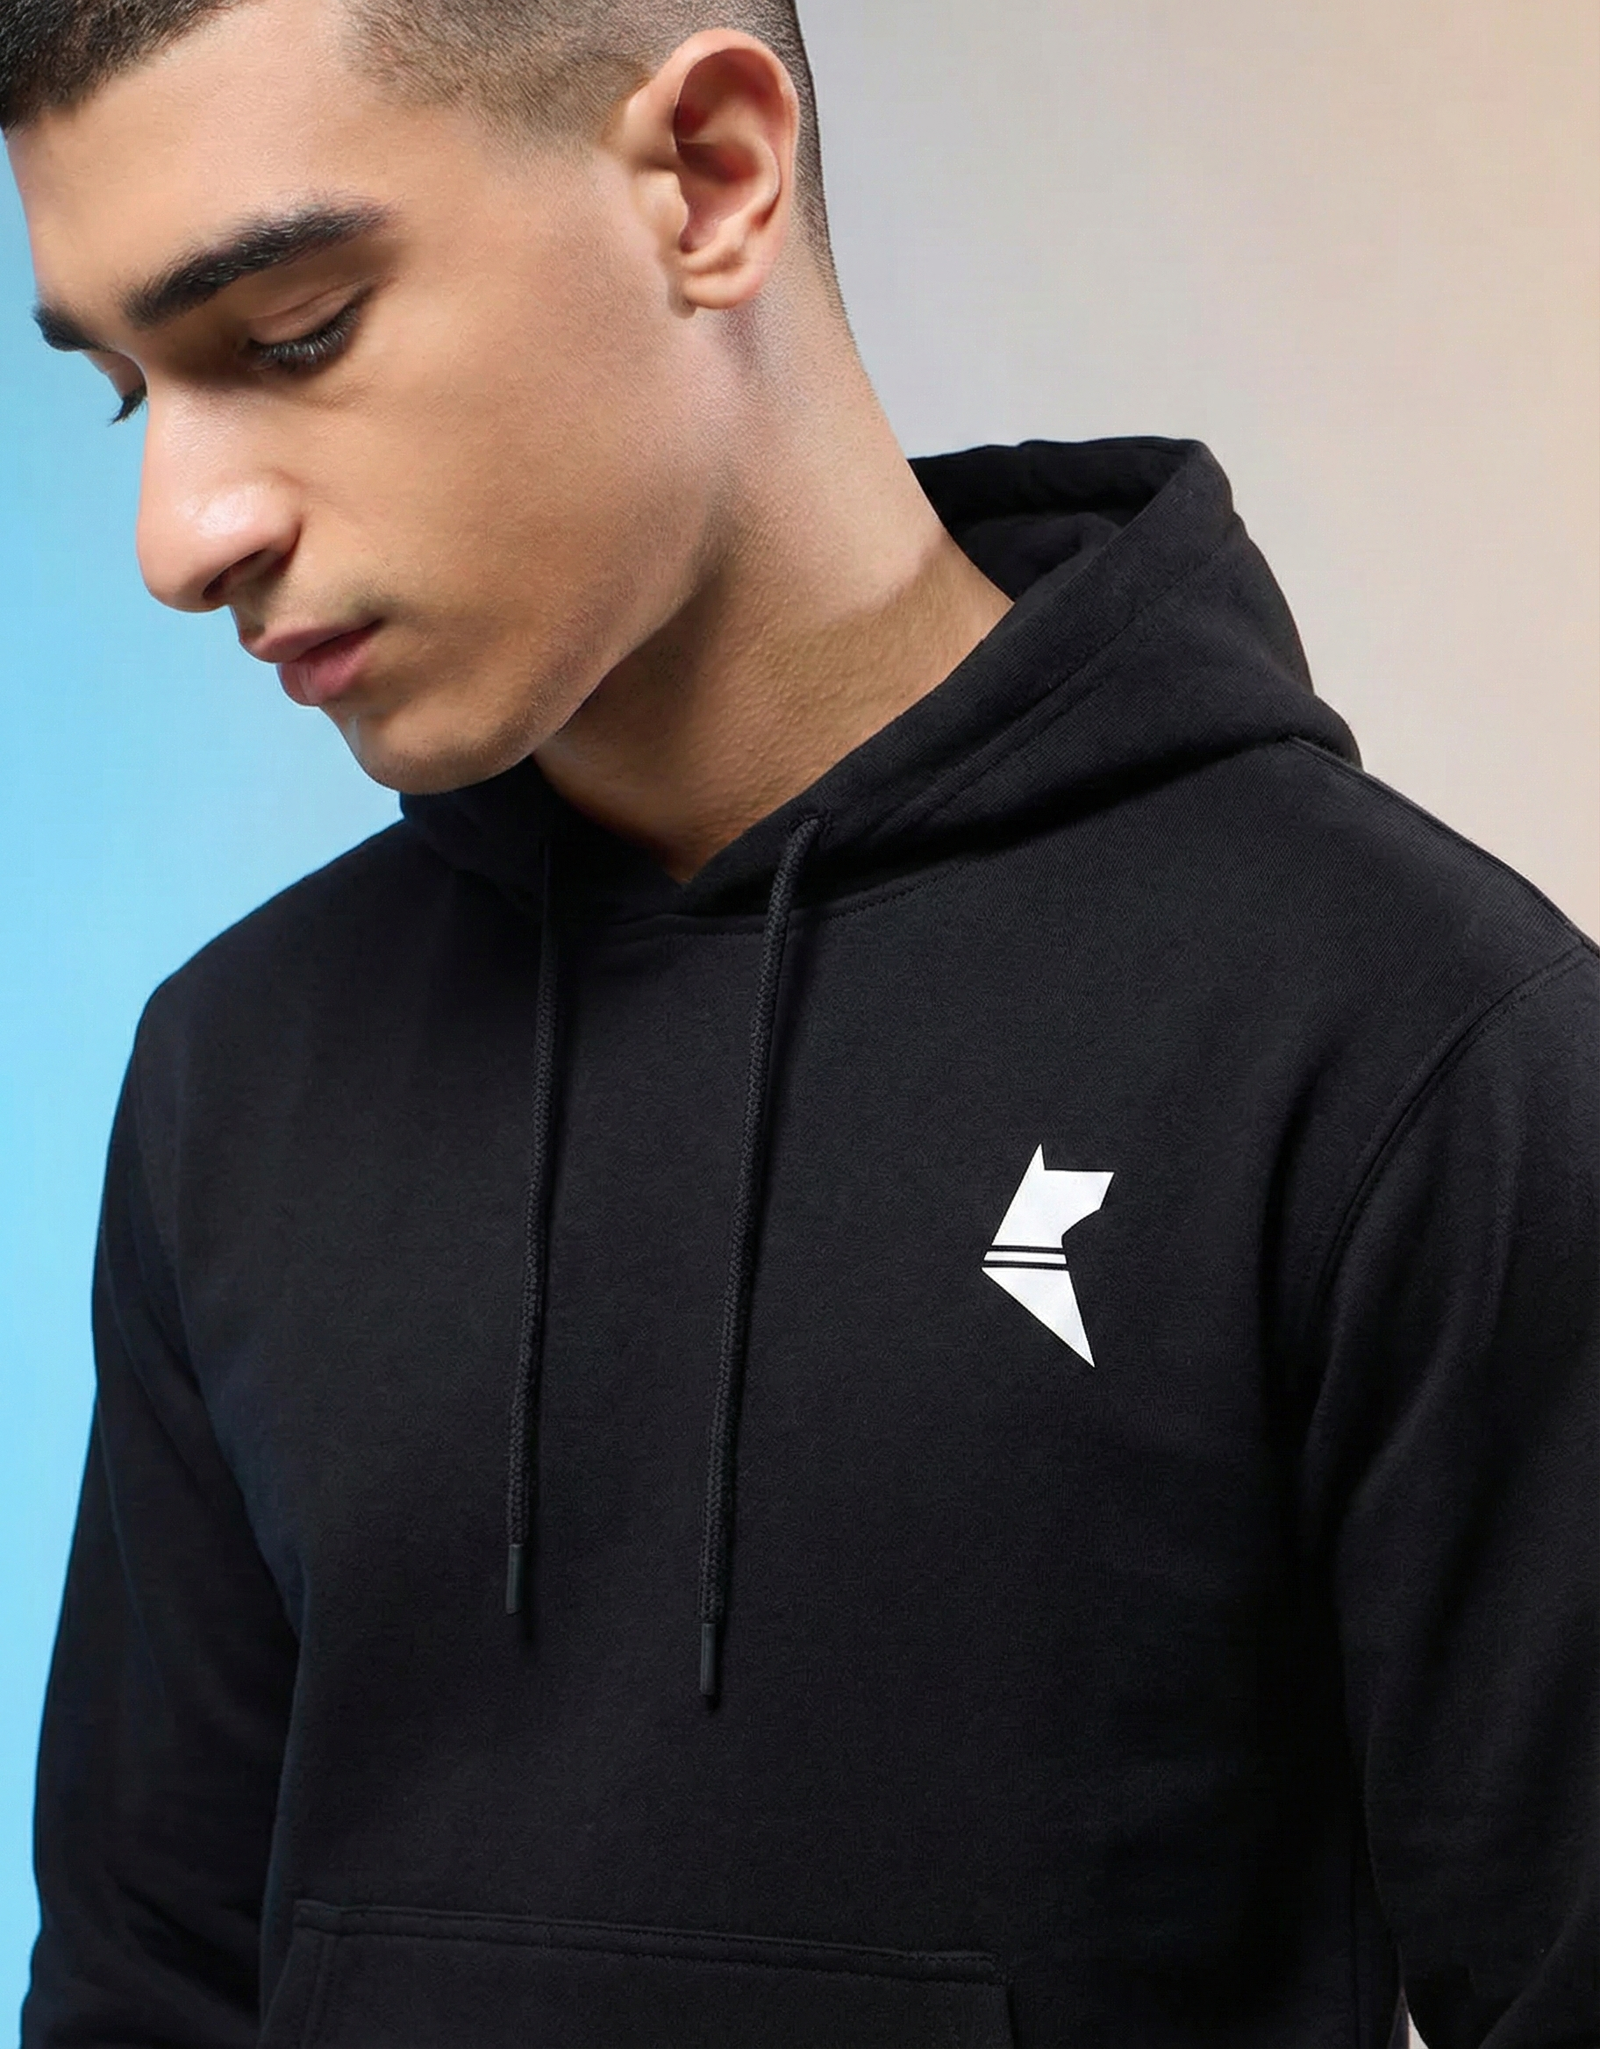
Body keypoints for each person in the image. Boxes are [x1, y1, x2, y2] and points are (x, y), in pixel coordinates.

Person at [6, 0, 1596, 2042]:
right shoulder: (234, 1068)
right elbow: (143, 1986)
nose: (180, 538)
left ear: (708, 179)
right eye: (128, 393)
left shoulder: (1400, 1042)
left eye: (295, 333)